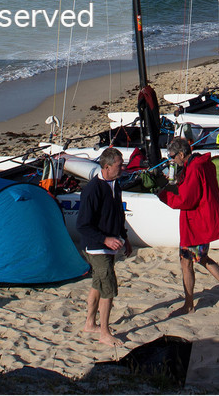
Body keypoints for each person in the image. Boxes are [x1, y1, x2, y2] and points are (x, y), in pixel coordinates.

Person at [157, 136, 219, 315]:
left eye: (173, 156)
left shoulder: (195, 167)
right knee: (196, 259)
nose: (172, 159)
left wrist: (163, 194)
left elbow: (186, 199)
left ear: (182, 154)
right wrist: (176, 180)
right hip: (201, 220)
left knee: (192, 261)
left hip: (196, 223)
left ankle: (190, 303)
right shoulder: (202, 163)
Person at [76, 147, 130, 346]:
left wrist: (125, 238)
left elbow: (118, 214)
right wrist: (105, 239)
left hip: (109, 244)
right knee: (108, 288)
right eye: (119, 165)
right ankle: (105, 333)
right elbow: (82, 225)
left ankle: (90, 323)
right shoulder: (92, 189)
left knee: (97, 285)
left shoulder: (115, 184)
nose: (122, 168)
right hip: (95, 247)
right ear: (106, 167)